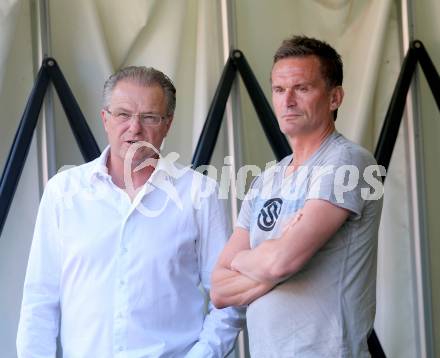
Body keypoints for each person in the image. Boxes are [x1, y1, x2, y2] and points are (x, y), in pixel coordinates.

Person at [17, 66, 244, 357]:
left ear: (168, 123)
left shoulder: (199, 194)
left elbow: (228, 298)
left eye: (149, 117)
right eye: (123, 114)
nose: (135, 128)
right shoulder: (63, 192)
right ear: (105, 119)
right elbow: (40, 299)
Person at [210, 36, 383, 357]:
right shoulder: (266, 181)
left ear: (334, 98)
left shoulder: (347, 162)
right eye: (278, 90)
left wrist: (248, 261)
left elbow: (281, 262)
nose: (287, 100)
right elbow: (219, 290)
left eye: (302, 88)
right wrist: (273, 258)